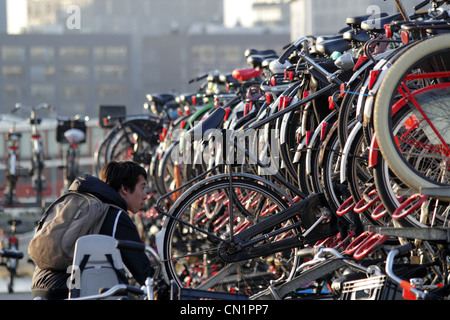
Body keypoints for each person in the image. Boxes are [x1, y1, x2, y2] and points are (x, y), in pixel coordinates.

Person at [31, 161, 154, 300]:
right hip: (70, 290)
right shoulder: (114, 215)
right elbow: (143, 271)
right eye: (142, 188)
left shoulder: (81, 203)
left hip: (39, 286)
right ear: (124, 188)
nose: (145, 195)